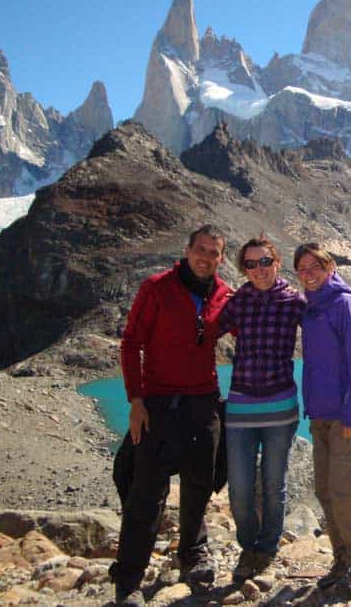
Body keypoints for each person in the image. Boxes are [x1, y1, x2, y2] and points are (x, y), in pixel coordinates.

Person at [109, 225, 233, 607]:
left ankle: (192, 556)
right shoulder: (157, 287)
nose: (205, 257)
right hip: (159, 405)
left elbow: (250, 334)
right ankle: (128, 577)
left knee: (199, 484)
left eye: (213, 252)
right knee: (147, 491)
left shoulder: (224, 295)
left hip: (204, 403)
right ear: (187, 250)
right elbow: (131, 344)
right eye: (200, 249)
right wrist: (136, 400)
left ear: (220, 258)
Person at [218, 236, 306, 581]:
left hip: (280, 407)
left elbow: (325, 330)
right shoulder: (238, 301)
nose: (259, 270)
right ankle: (247, 544)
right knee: (239, 486)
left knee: (274, 482)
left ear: (277, 262)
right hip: (240, 407)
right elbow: (207, 329)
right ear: (244, 268)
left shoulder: (293, 302)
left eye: (264, 261)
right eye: (251, 264)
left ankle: (266, 548)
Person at [294, 242, 351, 592]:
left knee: (346, 492)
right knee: (326, 491)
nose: (308, 273)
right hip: (321, 418)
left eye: (315, 266)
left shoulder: (345, 304)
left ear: (330, 268)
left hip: (347, 419)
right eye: (302, 268)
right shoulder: (311, 308)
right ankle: (341, 558)